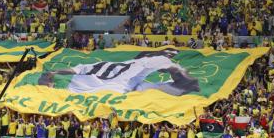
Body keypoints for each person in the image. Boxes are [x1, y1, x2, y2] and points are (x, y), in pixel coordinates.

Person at [38, 49, 200, 96]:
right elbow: (70, 71)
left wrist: (54, 72)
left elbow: (70, 70)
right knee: (152, 86)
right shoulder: (82, 73)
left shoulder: (83, 71)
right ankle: (184, 83)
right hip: (123, 82)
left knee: (151, 86)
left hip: (121, 85)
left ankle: (182, 83)